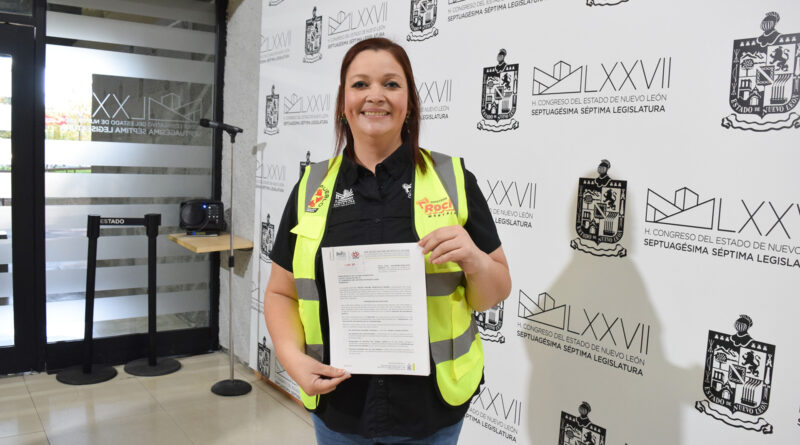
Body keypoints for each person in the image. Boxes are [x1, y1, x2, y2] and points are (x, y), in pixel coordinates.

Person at [264, 37, 511, 444]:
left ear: (409, 103)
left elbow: (493, 293)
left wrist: (475, 261)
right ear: (343, 102)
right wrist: (291, 358)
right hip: (340, 407)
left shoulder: (452, 180)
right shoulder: (310, 188)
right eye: (360, 84)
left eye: (391, 84)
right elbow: (280, 292)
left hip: (430, 411)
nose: (375, 95)